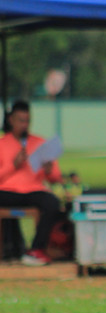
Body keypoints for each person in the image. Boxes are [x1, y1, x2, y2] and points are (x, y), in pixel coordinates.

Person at [0, 100, 63, 266]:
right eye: (20, 120)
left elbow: (56, 177)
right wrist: (13, 165)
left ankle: (36, 249)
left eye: (27, 120)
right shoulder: (2, 144)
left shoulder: (39, 143)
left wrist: (49, 170)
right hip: (6, 191)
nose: (24, 124)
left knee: (52, 202)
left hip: (32, 190)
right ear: (11, 120)